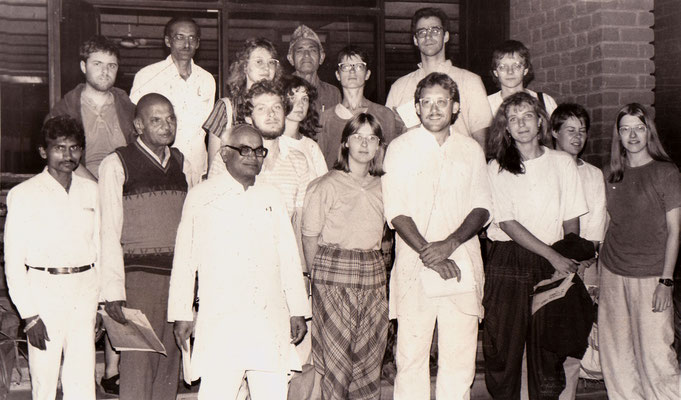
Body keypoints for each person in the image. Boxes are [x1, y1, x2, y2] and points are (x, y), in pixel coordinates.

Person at [169, 123, 310, 400]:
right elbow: (185, 260)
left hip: (269, 320)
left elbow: (288, 257)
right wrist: (182, 313)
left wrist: (297, 310)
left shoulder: (271, 196)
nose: (253, 157)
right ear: (224, 154)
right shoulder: (201, 196)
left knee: (272, 393)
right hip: (222, 320)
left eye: (259, 151)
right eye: (244, 150)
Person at [382, 72, 492, 399]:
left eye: (441, 102)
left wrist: (450, 244)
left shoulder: (470, 149)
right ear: (416, 107)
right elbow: (396, 211)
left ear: (455, 107)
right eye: (426, 102)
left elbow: (482, 207)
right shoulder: (400, 149)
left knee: (459, 361)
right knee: (412, 358)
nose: (433, 109)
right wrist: (430, 252)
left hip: (462, 265)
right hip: (415, 265)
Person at [483, 92, 588, 399]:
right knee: (503, 347)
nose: (521, 124)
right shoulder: (497, 167)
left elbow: (572, 220)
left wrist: (566, 260)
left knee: (547, 351)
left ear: (541, 121)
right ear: (505, 127)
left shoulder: (562, 163)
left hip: (552, 262)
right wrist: (553, 255)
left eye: (527, 116)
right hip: (509, 262)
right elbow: (507, 223)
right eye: (513, 119)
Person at [99, 93, 194, 400]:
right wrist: (113, 290)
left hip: (176, 281)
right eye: (156, 120)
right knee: (139, 368)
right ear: (138, 124)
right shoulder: (116, 163)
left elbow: (193, 229)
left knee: (169, 367)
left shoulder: (183, 163)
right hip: (138, 282)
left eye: (171, 119)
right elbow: (108, 231)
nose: (166, 126)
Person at [4, 116, 100, 400]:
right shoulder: (24, 194)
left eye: (74, 148)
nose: (68, 155)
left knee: (82, 379)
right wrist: (29, 315)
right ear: (44, 152)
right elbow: (13, 261)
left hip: (84, 290)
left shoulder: (91, 191)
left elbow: (100, 248)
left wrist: (101, 304)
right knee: (44, 380)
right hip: (44, 291)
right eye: (59, 148)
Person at [302, 113, 388, 399]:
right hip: (334, 274)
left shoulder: (384, 186)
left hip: (372, 275)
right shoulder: (327, 184)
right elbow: (310, 236)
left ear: (379, 146)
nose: (364, 144)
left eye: (371, 138)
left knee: (368, 360)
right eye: (357, 137)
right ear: (346, 143)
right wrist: (318, 279)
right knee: (338, 362)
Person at [598, 103, 681, 400]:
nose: (632, 135)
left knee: (656, 354)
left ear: (649, 132)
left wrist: (666, 281)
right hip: (612, 272)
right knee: (616, 355)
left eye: (639, 127)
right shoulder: (610, 174)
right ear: (618, 135)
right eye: (625, 129)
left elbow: (675, 232)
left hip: (651, 276)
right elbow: (605, 226)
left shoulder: (666, 172)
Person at [550, 103, 606, 400]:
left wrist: (584, 261)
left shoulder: (593, 174)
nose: (577, 136)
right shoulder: (544, 166)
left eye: (582, 131)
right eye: (570, 130)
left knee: (574, 337)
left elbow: (595, 224)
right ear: (554, 132)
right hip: (548, 263)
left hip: (582, 265)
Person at [385, 7, 491, 151]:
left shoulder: (471, 81)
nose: (428, 36)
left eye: (435, 30)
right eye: (422, 32)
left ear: (446, 36)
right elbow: (388, 141)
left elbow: (482, 143)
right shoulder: (399, 87)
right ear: (415, 40)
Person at [130, 16, 215, 183]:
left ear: (198, 43)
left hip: (198, 167)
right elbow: (134, 126)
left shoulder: (207, 80)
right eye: (180, 37)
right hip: (157, 164)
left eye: (192, 38)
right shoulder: (147, 75)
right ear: (168, 41)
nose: (186, 44)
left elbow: (208, 130)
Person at [48, 35, 136, 181]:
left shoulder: (130, 110)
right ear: (83, 67)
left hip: (123, 189)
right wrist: (96, 188)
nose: (105, 71)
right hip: (79, 188)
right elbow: (61, 158)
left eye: (111, 65)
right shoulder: (65, 110)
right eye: (97, 64)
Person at [204, 37, 282, 174]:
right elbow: (213, 168)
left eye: (271, 62)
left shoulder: (280, 107)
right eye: (259, 62)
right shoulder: (226, 107)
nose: (266, 67)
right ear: (245, 67)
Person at [318, 45, 404, 169]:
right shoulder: (325, 118)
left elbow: (390, 161)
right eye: (345, 67)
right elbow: (321, 165)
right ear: (337, 75)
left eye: (359, 66)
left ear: (367, 74)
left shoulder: (385, 115)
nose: (352, 71)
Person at [488, 40, 558, 118]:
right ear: (496, 72)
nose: (510, 71)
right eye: (503, 67)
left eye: (516, 66)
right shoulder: (486, 104)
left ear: (525, 70)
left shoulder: (544, 101)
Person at [287, 25, 341, 115]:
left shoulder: (332, 93)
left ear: (322, 57)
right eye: (300, 51)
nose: (307, 55)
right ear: (290, 59)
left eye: (312, 50)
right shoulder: (282, 90)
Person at [281, 75, 328, 179]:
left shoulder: (312, 147)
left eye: (304, 99)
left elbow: (323, 186)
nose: (300, 104)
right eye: (293, 98)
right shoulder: (273, 142)